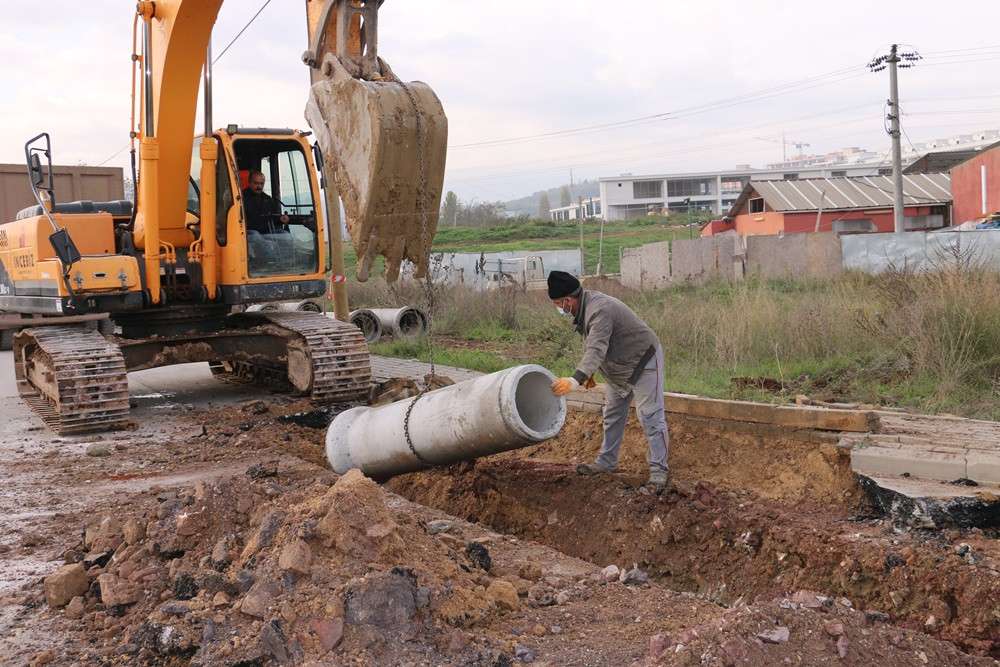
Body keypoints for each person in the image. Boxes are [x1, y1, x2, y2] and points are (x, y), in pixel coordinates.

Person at [548, 270, 670, 494]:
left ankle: (658, 471)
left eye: (558, 304)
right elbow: (594, 342)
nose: (559, 309)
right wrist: (590, 371)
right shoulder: (585, 307)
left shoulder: (599, 309)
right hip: (619, 367)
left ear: (568, 300)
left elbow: (597, 348)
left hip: (643, 360)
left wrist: (576, 379)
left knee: (650, 416)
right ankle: (607, 462)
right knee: (612, 413)